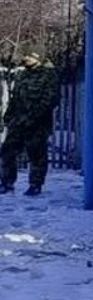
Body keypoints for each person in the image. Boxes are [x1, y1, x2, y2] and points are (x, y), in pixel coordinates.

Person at [0, 55, 58, 196]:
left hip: (37, 122)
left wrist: (35, 117)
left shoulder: (48, 75)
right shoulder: (22, 75)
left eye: (28, 56)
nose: (25, 59)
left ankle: (35, 185)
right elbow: (15, 98)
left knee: (36, 154)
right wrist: (8, 115)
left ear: (37, 57)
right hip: (19, 121)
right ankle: (7, 183)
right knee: (7, 150)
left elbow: (50, 99)